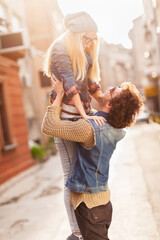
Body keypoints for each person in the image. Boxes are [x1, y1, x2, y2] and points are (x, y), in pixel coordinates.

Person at [41, 78, 143, 240]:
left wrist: (60, 94)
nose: (107, 89)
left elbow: (49, 126)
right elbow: (101, 109)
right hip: (100, 205)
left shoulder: (89, 129)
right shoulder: (114, 127)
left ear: (109, 106)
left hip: (90, 208)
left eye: (111, 91)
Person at [43, 11, 105, 240]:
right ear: (76, 33)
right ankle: (76, 232)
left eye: (92, 40)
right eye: (87, 38)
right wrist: (85, 115)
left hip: (80, 118)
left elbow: (91, 83)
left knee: (84, 174)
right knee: (70, 176)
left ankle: (89, 224)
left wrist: (107, 101)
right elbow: (70, 85)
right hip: (66, 120)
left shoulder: (84, 52)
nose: (89, 43)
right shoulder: (60, 48)